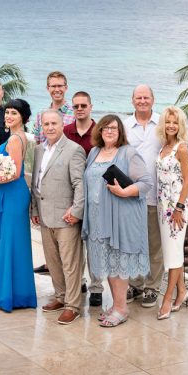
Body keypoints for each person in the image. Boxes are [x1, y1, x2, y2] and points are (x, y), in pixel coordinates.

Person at [83, 114, 150, 328]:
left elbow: (146, 183)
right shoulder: (94, 152)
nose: (110, 131)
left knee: (117, 261)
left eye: (114, 128)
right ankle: (116, 305)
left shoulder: (128, 153)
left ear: (120, 131)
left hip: (119, 217)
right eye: (105, 128)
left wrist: (124, 192)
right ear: (100, 131)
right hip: (96, 217)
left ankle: (122, 308)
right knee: (108, 261)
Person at [30, 110, 86, 324]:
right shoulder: (38, 150)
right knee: (53, 262)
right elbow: (36, 183)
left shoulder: (74, 150)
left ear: (62, 125)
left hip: (66, 217)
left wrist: (76, 211)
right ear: (41, 127)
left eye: (54, 123)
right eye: (46, 124)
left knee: (70, 264)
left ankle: (73, 305)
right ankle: (61, 296)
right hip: (44, 216)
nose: (50, 127)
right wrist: (35, 210)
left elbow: (79, 184)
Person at [0, 98, 39, 312]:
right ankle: (19, 293)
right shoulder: (16, 136)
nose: (9, 116)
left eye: (14, 113)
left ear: (23, 118)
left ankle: (9, 296)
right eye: (7, 112)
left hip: (13, 193)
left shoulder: (15, 140)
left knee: (10, 243)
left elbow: (16, 173)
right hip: (12, 193)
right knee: (15, 243)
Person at [123, 85, 163, 308]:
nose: (142, 101)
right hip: (131, 195)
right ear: (132, 101)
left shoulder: (162, 125)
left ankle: (152, 287)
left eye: (146, 97)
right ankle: (134, 284)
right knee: (133, 245)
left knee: (154, 246)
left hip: (156, 196)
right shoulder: (125, 126)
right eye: (138, 98)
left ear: (153, 99)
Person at [33, 71, 74, 273]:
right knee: (49, 232)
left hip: (67, 178)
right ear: (47, 88)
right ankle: (52, 267)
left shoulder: (74, 112)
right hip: (46, 180)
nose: (56, 89)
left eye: (60, 85)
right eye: (53, 86)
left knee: (69, 237)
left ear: (66, 87)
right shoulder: (41, 115)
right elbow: (38, 145)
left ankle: (79, 282)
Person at [65, 91, 102, 307]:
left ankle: (97, 287)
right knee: (74, 242)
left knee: (94, 244)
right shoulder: (66, 131)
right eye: (76, 106)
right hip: (71, 195)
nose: (80, 109)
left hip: (95, 196)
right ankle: (78, 281)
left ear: (90, 107)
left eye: (83, 105)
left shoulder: (99, 132)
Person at [155, 106, 188, 320]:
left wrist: (178, 208)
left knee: (174, 252)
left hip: (177, 208)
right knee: (172, 252)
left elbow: (187, 181)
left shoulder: (181, 148)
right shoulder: (164, 146)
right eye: (168, 121)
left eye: (175, 122)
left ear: (180, 125)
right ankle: (183, 290)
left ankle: (168, 298)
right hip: (163, 207)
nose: (171, 125)